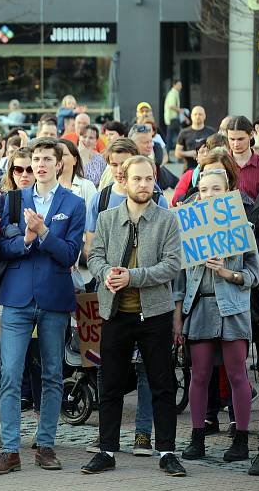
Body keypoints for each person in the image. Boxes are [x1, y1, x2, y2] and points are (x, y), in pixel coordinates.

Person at [0, 137, 85, 475]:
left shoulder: (74, 204)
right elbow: (0, 247)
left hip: (54, 298)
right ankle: (10, 450)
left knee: (53, 374)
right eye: (35, 159)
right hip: (16, 298)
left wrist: (43, 233)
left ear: (59, 163)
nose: (40, 165)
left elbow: (71, 254)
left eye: (46, 159)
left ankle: (45, 445)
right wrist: (27, 240)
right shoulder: (12, 200)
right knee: (10, 373)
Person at [83, 155, 187, 477]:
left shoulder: (166, 219)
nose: (143, 185)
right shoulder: (107, 218)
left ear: (154, 180)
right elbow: (94, 255)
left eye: (148, 179)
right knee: (111, 384)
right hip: (115, 313)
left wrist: (133, 276)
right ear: (124, 181)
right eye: (137, 179)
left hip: (154, 314)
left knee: (162, 384)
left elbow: (172, 265)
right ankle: (106, 451)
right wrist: (106, 274)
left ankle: (167, 451)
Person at [174, 168, 259, 463]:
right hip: (200, 308)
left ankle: (241, 440)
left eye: (215, 189)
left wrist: (228, 272)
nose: (209, 194)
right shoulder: (190, 229)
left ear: (227, 192)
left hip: (233, 309)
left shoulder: (242, 227)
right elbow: (180, 279)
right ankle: (197, 437)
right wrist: (179, 314)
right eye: (204, 189)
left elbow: (255, 274)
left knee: (238, 374)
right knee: (198, 375)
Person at [228, 116, 259, 199]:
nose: (236, 144)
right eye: (232, 139)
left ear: (251, 135)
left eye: (240, 139)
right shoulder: (220, 164)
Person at [175, 105, 214, 171]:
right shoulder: (184, 132)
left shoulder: (211, 132)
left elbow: (217, 151)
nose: (197, 116)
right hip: (189, 169)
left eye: (200, 114)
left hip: (208, 169)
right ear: (191, 116)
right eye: (195, 114)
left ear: (204, 116)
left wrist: (205, 153)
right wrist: (189, 153)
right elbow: (177, 153)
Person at [57, 139, 97, 204]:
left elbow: (93, 212)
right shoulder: (47, 186)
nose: (60, 158)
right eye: (57, 155)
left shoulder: (87, 186)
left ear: (75, 160)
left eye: (64, 154)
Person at [164, 80, 184, 149]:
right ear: (174, 85)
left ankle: (167, 154)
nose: (180, 87)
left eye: (181, 85)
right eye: (179, 85)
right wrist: (180, 110)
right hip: (173, 118)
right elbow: (171, 106)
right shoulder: (173, 93)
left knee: (170, 137)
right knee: (181, 135)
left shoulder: (173, 93)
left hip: (172, 119)